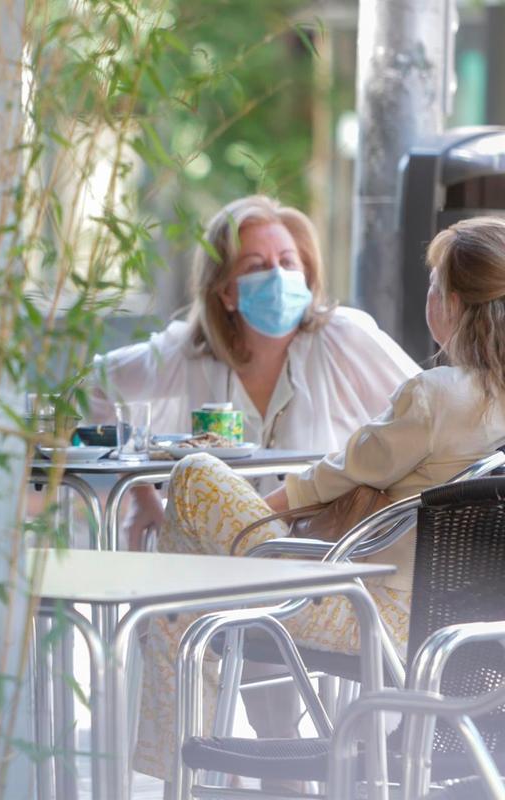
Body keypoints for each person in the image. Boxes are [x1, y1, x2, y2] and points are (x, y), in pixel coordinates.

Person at [133, 216, 505, 785]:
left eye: (432, 284)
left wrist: (250, 519)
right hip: (455, 624)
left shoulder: (435, 396)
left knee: (196, 476)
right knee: (183, 605)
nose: (428, 295)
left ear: (452, 305)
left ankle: (179, 775)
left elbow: (332, 476)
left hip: (369, 615)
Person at [91, 195, 420, 549]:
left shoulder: (344, 337)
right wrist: (141, 497)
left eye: (287, 262)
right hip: (221, 564)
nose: (277, 276)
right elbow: (94, 386)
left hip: (328, 558)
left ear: (307, 276)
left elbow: (427, 413)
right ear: (225, 292)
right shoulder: (186, 352)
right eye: (255, 266)